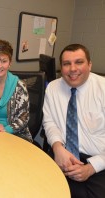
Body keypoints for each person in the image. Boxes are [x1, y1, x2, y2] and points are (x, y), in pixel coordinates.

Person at [43, 44, 105, 198]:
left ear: (89, 65)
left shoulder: (102, 89)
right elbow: (50, 123)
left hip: (98, 161)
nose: (72, 69)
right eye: (66, 64)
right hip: (62, 153)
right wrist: (57, 148)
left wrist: (92, 167)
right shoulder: (52, 88)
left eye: (79, 62)